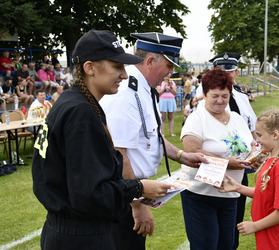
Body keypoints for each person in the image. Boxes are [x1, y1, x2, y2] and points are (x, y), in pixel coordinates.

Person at [32, 29, 171, 250]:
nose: (124, 75)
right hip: (81, 236)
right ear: (89, 68)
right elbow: (90, 194)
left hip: (68, 230)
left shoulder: (73, 101)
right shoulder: (80, 112)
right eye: (117, 67)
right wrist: (138, 188)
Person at [100, 32, 206, 250]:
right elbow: (118, 152)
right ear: (150, 61)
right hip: (123, 199)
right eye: (169, 66)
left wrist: (181, 156)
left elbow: (153, 137)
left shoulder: (143, 89)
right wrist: (136, 204)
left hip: (131, 192)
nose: (170, 73)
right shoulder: (125, 92)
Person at [179, 67, 255, 249]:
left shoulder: (236, 118)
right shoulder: (197, 119)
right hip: (200, 195)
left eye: (225, 96)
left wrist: (253, 157)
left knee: (227, 246)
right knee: (206, 245)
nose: (220, 101)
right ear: (204, 94)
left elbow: (251, 144)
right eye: (215, 96)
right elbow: (192, 151)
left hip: (231, 195)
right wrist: (228, 163)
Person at [218, 109, 279, 250]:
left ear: (275, 135)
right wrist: (238, 187)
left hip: (278, 239)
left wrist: (254, 225)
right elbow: (266, 193)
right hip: (268, 234)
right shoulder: (270, 160)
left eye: (260, 135)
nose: (257, 140)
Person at [208, 52, 258, 249]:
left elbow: (253, 129)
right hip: (214, 170)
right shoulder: (204, 96)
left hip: (241, 169)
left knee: (234, 221)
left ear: (236, 73)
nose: (227, 77)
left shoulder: (241, 97)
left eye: (230, 72)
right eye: (221, 72)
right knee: (213, 227)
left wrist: (257, 153)